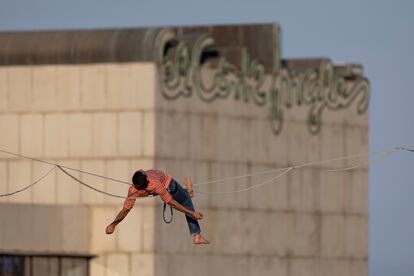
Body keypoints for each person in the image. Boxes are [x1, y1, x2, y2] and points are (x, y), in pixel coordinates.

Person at [105, 169, 210, 245]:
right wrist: (192, 213)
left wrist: (113, 225)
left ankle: (188, 191)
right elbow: (171, 203)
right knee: (186, 199)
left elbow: (171, 202)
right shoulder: (144, 188)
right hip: (167, 185)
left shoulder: (136, 190)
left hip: (166, 183)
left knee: (184, 198)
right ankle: (197, 236)